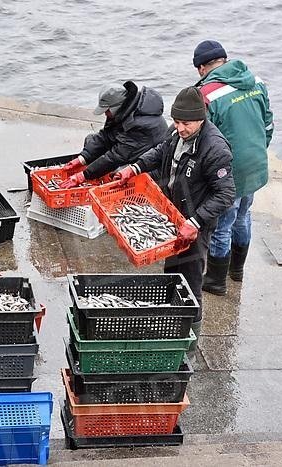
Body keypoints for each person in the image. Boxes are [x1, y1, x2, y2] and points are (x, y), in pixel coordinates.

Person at [111, 86, 235, 344]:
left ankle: (191, 342)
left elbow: (225, 194)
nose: (180, 128)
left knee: (190, 282)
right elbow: (160, 152)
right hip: (174, 217)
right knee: (172, 274)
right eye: (177, 122)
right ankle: (171, 325)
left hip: (195, 225)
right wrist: (134, 168)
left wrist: (195, 221)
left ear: (201, 118)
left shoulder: (215, 148)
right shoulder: (176, 133)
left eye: (186, 123)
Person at [192, 40, 274, 295]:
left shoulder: (207, 94)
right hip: (255, 163)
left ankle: (216, 281)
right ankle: (236, 270)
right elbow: (268, 124)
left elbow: (202, 138)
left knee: (222, 224)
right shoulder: (256, 81)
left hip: (229, 168)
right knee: (243, 215)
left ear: (202, 68)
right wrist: (258, 150)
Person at [59, 81, 168, 188]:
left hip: (149, 164)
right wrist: (83, 158)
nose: (105, 114)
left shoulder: (139, 124)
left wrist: (83, 175)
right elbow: (106, 136)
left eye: (107, 110)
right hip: (128, 149)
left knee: (117, 172)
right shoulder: (125, 110)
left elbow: (116, 156)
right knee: (90, 139)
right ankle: (95, 172)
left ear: (116, 107)